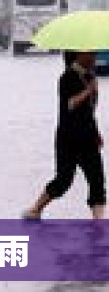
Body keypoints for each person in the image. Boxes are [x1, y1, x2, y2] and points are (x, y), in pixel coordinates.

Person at [24, 51, 106, 219]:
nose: (94, 57)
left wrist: (96, 131)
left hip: (88, 136)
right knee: (63, 180)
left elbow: (89, 110)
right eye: (90, 54)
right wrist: (88, 91)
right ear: (78, 55)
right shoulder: (67, 78)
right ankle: (36, 209)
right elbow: (70, 104)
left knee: (97, 180)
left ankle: (99, 223)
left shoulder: (90, 77)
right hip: (68, 138)